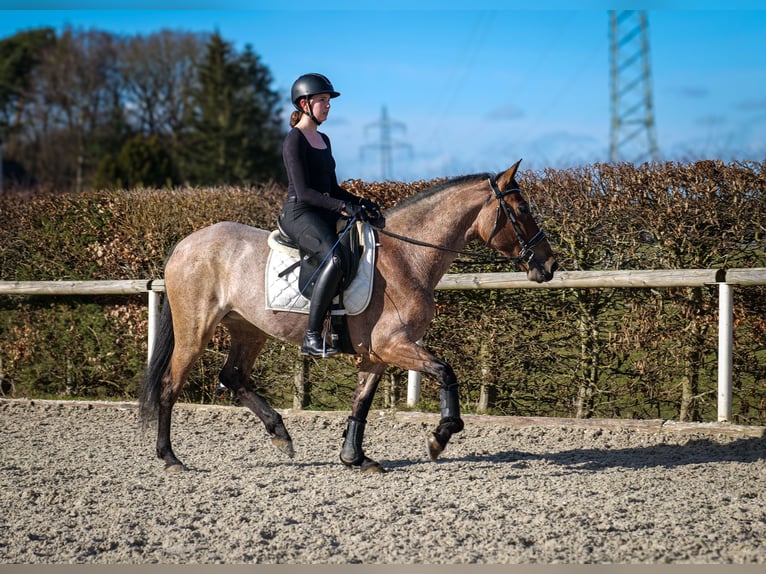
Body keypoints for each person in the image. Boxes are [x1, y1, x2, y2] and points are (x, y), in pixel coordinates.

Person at [278, 73, 382, 357]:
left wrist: (362, 202)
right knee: (335, 258)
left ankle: (341, 327)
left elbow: (332, 188)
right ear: (304, 103)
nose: (328, 106)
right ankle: (311, 337)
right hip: (300, 212)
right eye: (322, 100)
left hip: (321, 211)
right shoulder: (294, 140)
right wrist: (343, 208)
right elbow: (304, 192)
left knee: (355, 254)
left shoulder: (323, 138)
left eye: (328, 101)